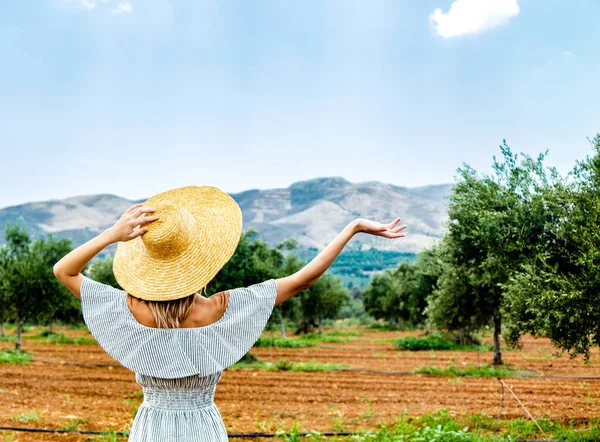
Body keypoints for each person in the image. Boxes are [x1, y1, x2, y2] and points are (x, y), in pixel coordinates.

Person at [53, 185, 407, 441]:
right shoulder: (220, 309)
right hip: (203, 428)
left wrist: (112, 235)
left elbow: (64, 271)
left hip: (151, 429)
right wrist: (353, 227)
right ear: (200, 261)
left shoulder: (129, 309)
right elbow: (303, 280)